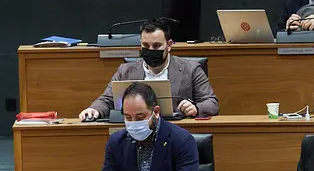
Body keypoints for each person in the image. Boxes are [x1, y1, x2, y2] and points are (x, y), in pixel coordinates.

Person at [79, 18, 219, 121]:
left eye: (157, 46)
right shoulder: (125, 71)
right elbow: (107, 100)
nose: (150, 50)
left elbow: (211, 102)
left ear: (169, 45)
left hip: (176, 133)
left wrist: (196, 108)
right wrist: (94, 109)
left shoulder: (191, 69)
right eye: (145, 45)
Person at [95, 82, 199, 171]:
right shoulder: (116, 141)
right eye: (128, 117)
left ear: (156, 112)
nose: (133, 123)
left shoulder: (181, 140)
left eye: (140, 117)